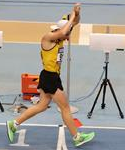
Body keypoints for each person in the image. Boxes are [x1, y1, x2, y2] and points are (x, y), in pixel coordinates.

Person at [6, 3, 95, 147]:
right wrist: (72, 18)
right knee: (65, 107)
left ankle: (14, 123)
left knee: (41, 106)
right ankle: (77, 137)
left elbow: (74, 23)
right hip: (49, 77)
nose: (67, 36)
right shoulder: (47, 38)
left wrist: (76, 13)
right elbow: (64, 31)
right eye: (65, 32)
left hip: (51, 76)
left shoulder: (60, 36)